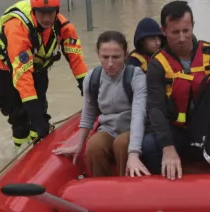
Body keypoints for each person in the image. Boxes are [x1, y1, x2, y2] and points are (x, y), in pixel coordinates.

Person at [141, 0, 210, 180]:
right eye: (175, 32)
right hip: (178, 131)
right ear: (163, 31)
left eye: (186, 30)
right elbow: (155, 108)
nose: (181, 38)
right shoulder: (157, 65)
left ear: (193, 26)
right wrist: (167, 147)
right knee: (148, 145)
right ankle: (165, 185)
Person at [0, 0, 88, 146]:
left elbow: (76, 59)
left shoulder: (64, 27)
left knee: (41, 111)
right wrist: (34, 116)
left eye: (51, 13)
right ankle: (19, 150)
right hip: (4, 68)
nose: (47, 18)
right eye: (42, 13)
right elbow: (22, 76)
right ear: (34, 12)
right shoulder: (17, 28)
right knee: (20, 116)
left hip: (37, 68)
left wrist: (88, 90)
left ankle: (37, 142)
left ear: (57, 11)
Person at [54, 31, 150, 177]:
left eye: (116, 57)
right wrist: (78, 145)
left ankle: (127, 185)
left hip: (130, 129)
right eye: (105, 57)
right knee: (93, 146)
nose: (110, 63)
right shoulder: (92, 78)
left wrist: (134, 153)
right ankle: (101, 188)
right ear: (98, 55)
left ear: (126, 54)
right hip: (108, 129)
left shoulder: (136, 77)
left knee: (121, 144)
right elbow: (88, 113)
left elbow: (138, 115)